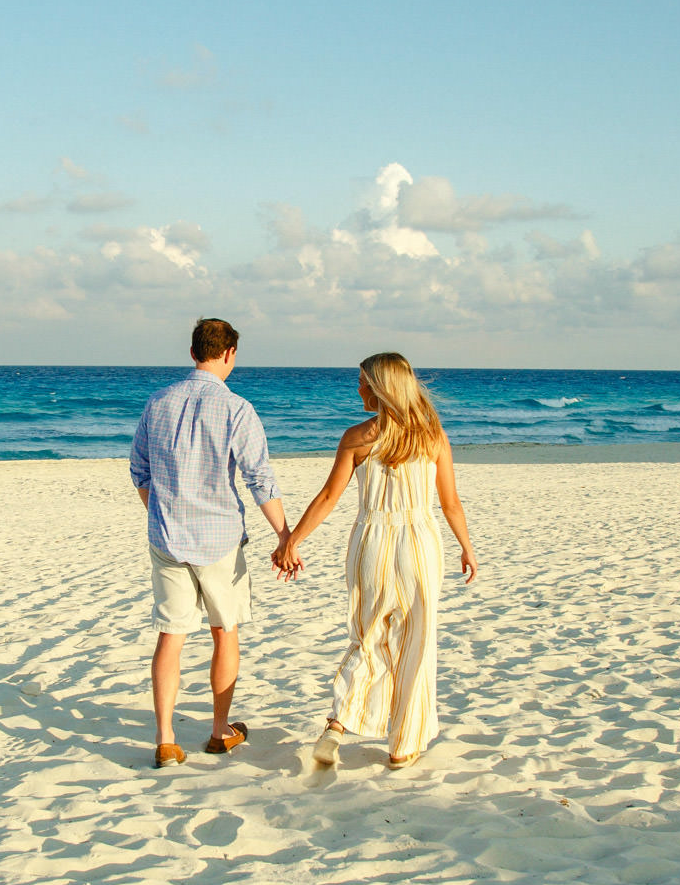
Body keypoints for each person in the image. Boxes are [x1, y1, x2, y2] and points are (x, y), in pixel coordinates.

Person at [274, 351, 477, 770]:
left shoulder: (358, 437)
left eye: (363, 382)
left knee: (367, 636)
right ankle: (403, 746)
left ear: (382, 388)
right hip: (420, 542)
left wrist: (293, 540)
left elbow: (329, 498)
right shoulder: (432, 436)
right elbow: (450, 502)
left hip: (372, 540)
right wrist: (466, 547)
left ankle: (337, 723)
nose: (359, 388)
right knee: (416, 642)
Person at [130, 317, 289, 769]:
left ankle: (165, 739)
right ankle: (219, 732)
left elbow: (139, 471)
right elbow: (260, 479)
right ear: (229, 354)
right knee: (225, 631)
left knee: (171, 635)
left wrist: (161, 513)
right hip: (219, 539)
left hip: (167, 537)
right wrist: (284, 534)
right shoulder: (237, 408)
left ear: (194, 352)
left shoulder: (157, 403)